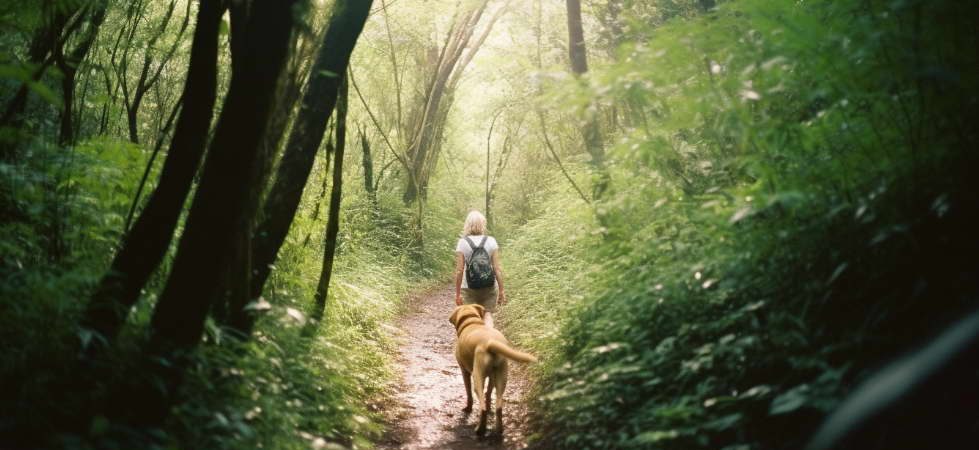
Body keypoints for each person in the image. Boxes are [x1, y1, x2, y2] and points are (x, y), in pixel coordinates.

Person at [454, 210, 506, 328]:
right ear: (483, 224)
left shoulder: (462, 242)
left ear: (467, 224)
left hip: (468, 288)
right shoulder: (491, 241)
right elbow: (497, 268)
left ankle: (472, 343)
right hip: (489, 286)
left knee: (471, 319)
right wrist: (502, 290)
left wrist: (457, 294)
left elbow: (459, 270)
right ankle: (488, 340)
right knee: (487, 316)